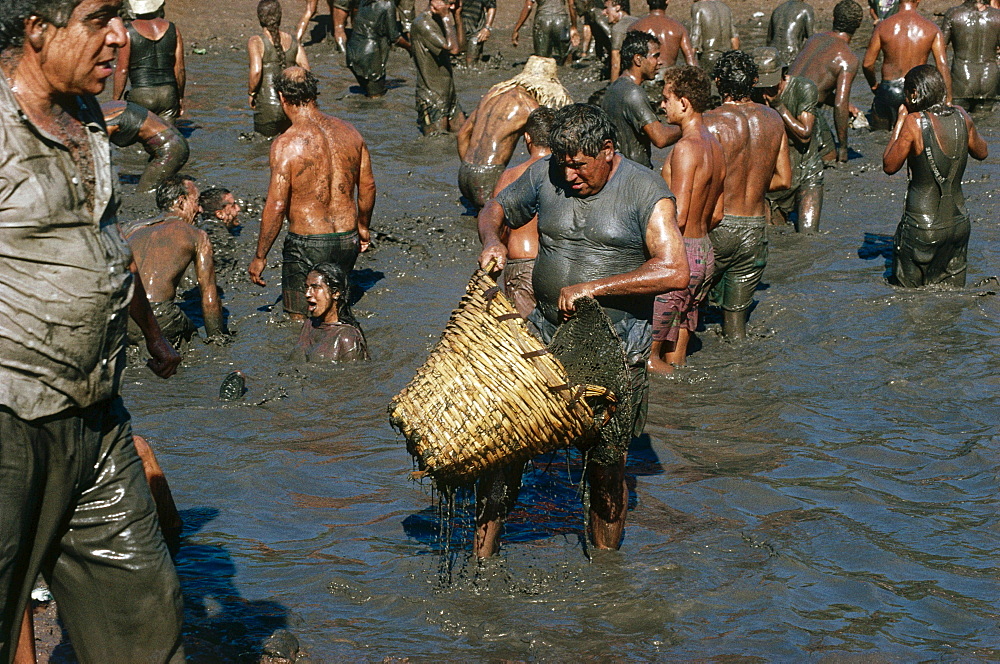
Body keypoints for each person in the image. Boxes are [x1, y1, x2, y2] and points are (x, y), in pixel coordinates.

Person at [0, 1, 185, 660]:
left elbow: (105, 248)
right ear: (38, 29)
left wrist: (152, 334)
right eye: (101, 18)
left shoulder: (85, 120)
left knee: (147, 611)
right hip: (12, 419)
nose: (119, 36)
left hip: (99, 416)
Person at [475, 103, 690, 557]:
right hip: (545, 335)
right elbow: (495, 208)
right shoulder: (546, 174)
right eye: (562, 163)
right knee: (504, 447)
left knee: (606, 467)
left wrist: (595, 288)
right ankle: (483, 560)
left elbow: (674, 270)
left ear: (608, 152)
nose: (569, 175)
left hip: (615, 349)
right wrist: (493, 239)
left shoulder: (646, 190)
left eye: (579, 165)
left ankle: (608, 573)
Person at [249, 68, 376, 321]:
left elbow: (276, 205)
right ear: (314, 94)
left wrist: (260, 256)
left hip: (308, 243)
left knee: (300, 320)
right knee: (335, 313)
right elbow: (369, 186)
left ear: (282, 98)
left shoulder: (286, 144)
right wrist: (363, 226)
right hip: (346, 238)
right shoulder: (351, 132)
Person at [704, 50, 791, 339]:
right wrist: (751, 185)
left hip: (717, 226)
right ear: (754, 81)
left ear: (718, 82)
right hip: (755, 229)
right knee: (736, 327)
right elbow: (784, 180)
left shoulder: (709, 122)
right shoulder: (774, 119)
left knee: (687, 309)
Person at [882, 65, 987, 287]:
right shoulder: (962, 115)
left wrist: (901, 119)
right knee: (951, 300)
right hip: (958, 226)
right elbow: (982, 152)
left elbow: (890, 165)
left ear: (913, 93)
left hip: (922, 228)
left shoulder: (914, 122)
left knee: (910, 303)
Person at [650, 66, 724, 373]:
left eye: (667, 98)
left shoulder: (685, 148)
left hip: (680, 257)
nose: (662, 105)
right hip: (705, 253)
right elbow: (718, 213)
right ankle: (678, 410)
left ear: (685, 103)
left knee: (646, 358)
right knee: (676, 358)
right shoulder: (715, 146)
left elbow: (676, 218)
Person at [124, 175, 228, 345]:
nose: (200, 209)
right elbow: (209, 296)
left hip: (122, 315)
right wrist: (218, 339)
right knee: (193, 341)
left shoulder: (132, 229)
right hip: (159, 315)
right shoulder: (197, 235)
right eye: (196, 201)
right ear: (181, 201)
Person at [457, 56, 572, 208]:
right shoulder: (528, 106)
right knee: (497, 225)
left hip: (464, 172)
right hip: (489, 175)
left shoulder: (493, 93)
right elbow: (543, 148)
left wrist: (472, 169)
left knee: (478, 220)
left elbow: (462, 135)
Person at [491, 107, 557, 318]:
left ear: (527, 137)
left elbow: (498, 224)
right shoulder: (566, 174)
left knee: (525, 339)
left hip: (522, 265)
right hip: (557, 265)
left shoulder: (510, 176)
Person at [757, 47, 825, 233]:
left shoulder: (804, 88)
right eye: (762, 85)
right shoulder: (755, 95)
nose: (766, 91)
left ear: (783, 73)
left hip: (806, 171)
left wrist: (779, 106)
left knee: (807, 236)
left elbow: (805, 134)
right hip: (775, 178)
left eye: (771, 84)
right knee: (773, 237)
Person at [787, 0, 864, 163]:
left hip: (781, 99)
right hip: (803, 110)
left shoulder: (814, 39)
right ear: (858, 25)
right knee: (829, 158)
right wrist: (843, 148)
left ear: (834, 19)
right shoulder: (848, 58)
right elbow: (839, 104)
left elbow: (809, 84)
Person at [862, 0, 951, 130]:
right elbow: (942, 66)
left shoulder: (883, 26)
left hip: (889, 90)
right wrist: (947, 99)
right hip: (917, 90)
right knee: (916, 137)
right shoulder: (932, 28)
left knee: (880, 137)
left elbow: (867, 64)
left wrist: (874, 85)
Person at [601, 30, 679, 168]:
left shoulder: (614, 87)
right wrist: (690, 125)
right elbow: (660, 138)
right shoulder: (633, 93)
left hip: (618, 169)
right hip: (634, 172)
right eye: (655, 56)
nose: (660, 62)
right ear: (638, 59)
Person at [113, 0, 185, 122]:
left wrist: (115, 102)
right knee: (167, 137)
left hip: (141, 94)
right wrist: (180, 98)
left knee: (141, 137)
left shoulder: (128, 32)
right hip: (168, 94)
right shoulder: (173, 29)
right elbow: (180, 69)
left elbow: (122, 70)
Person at [248, 0, 311, 137]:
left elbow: (256, 71)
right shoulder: (294, 41)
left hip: (267, 108)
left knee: (263, 149)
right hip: (290, 107)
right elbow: (306, 70)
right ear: (280, 17)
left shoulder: (256, 41)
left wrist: (251, 93)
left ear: (260, 18)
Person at [102, 99, 189, 193]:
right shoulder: (108, 107)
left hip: (172, 149)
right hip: (175, 140)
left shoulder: (106, 125)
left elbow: (101, 159)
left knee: (144, 193)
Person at [290, 263, 371, 362]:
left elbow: (354, 375)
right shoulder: (308, 325)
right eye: (306, 287)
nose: (307, 294)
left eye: (315, 287)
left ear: (335, 293)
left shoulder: (347, 337)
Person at [410, 0, 466, 135]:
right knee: (436, 145)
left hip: (449, 94)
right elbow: (453, 49)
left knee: (463, 135)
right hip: (431, 97)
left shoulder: (440, 20)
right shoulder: (423, 23)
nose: (452, 7)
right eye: (450, 3)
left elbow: (461, 48)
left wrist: (457, 16)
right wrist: (447, 17)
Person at [941, 0, 1000, 111]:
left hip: (961, 78)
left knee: (960, 120)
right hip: (989, 79)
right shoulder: (997, 16)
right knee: (984, 122)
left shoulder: (953, 14)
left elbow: (940, 48)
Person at [348, 0, 410, 97]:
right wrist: (411, 48)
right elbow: (394, 37)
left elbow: (355, 20)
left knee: (367, 92)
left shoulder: (364, 2)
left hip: (352, 51)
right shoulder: (387, 4)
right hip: (370, 55)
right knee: (377, 97)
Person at [629, 0, 697, 72]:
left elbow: (627, 60)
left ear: (648, 1)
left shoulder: (635, 26)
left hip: (645, 77)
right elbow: (691, 61)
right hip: (668, 78)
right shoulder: (678, 28)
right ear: (667, 1)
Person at [512, 0, 579, 64]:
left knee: (542, 57)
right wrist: (574, 26)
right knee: (566, 53)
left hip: (542, 22)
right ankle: (567, 70)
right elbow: (572, 5)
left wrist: (516, 29)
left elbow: (528, 7)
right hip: (562, 23)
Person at [690, 0, 739, 74]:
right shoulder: (725, 7)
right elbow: (734, 37)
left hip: (709, 55)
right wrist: (735, 57)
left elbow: (695, 35)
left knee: (707, 83)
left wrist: (690, 60)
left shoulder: (698, 6)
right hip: (726, 56)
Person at [767, 0, 815, 66]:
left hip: (772, 54)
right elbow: (811, 39)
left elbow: (769, 39)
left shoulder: (778, 9)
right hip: (791, 54)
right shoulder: (806, 9)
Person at [605, 0, 638, 80]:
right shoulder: (637, 21)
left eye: (606, 8)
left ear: (617, 8)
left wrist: (612, 88)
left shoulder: (618, 28)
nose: (604, 12)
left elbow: (615, 65)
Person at [461, 0, 496, 64]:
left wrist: (487, 28)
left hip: (476, 31)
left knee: (470, 63)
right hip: (460, 29)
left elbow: (491, 6)